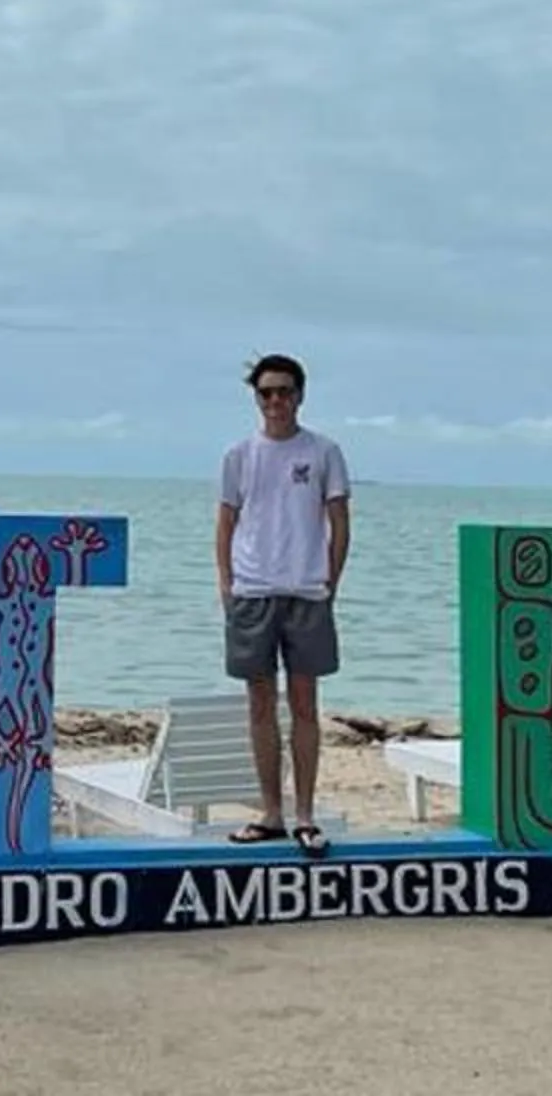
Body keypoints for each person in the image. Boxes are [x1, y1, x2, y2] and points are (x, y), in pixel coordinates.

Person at [215, 352, 350, 857]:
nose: (276, 401)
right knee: (259, 705)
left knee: (305, 705)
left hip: (307, 593)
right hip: (253, 591)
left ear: (299, 395)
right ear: (256, 397)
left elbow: (339, 522)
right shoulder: (238, 456)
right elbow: (226, 523)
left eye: (284, 391)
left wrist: (330, 580)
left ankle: (305, 815)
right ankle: (271, 812)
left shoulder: (323, 452)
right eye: (266, 392)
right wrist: (226, 584)